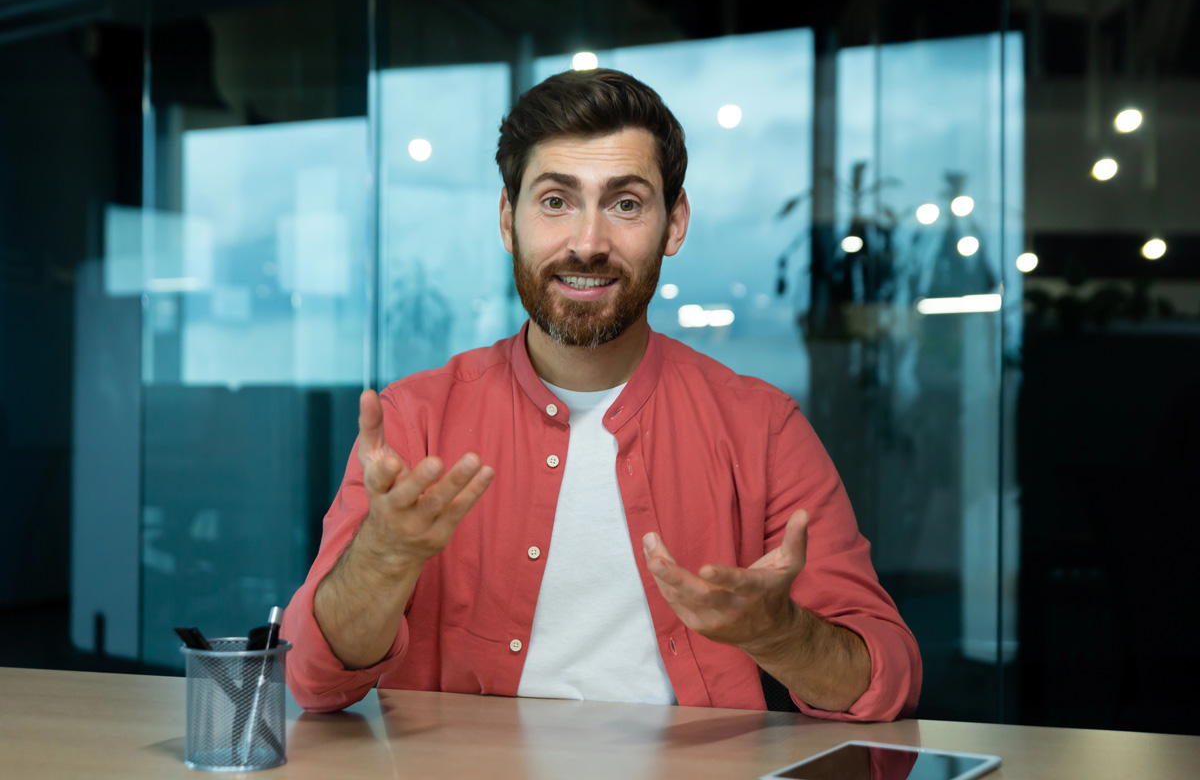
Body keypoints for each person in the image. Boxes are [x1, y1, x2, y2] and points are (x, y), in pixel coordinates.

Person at [281, 68, 921, 722]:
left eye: (625, 204)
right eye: (556, 201)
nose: (588, 244)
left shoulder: (762, 427)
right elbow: (313, 679)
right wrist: (382, 559)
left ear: (674, 225)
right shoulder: (415, 419)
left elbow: (887, 679)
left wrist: (780, 633)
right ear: (509, 220)